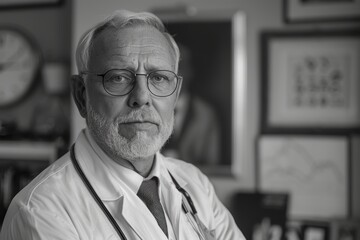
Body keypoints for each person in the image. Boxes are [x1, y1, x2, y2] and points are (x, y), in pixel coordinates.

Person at [0, 9, 245, 240]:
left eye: (159, 78)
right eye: (118, 78)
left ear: (176, 94)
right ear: (81, 95)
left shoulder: (194, 183)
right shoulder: (40, 212)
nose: (142, 97)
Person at [163, 43, 221, 166]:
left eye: (181, 67)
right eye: (170, 67)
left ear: (191, 71)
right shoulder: (147, 107)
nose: (175, 74)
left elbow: (213, 163)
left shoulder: (206, 114)